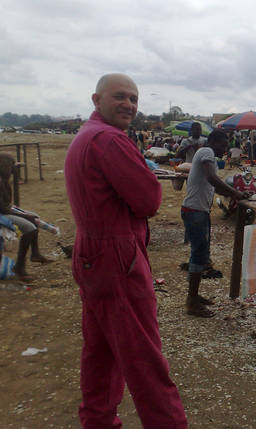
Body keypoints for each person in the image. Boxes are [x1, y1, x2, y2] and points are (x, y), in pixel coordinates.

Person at [64, 73, 187, 428]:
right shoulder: (109, 140)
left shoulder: (86, 136)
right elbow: (148, 200)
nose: (129, 105)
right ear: (96, 99)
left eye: (133, 99)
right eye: (120, 96)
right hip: (117, 255)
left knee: (100, 352)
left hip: (92, 253)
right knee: (144, 358)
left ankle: (98, 421)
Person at [181, 130, 248, 317]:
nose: (225, 150)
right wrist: (235, 193)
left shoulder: (205, 153)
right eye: (223, 145)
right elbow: (212, 178)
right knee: (198, 255)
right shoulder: (207, 152)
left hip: (198, 211)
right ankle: (191, 301)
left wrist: (233, 193)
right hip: (195, 212)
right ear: (214, 141)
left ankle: (193, 295)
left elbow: (213, 184)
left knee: (201, 255)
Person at [0, 154, 53, 281]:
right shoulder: (0, 182)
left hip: (3, 211)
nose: (14, 169)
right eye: (12, 166)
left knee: (33, 218)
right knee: (30, 227)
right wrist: (24, 215)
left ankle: (35, 253)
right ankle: (20, 267)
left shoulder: (4, 181)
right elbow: (3, 208)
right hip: (1, 214)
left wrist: (24, 214)